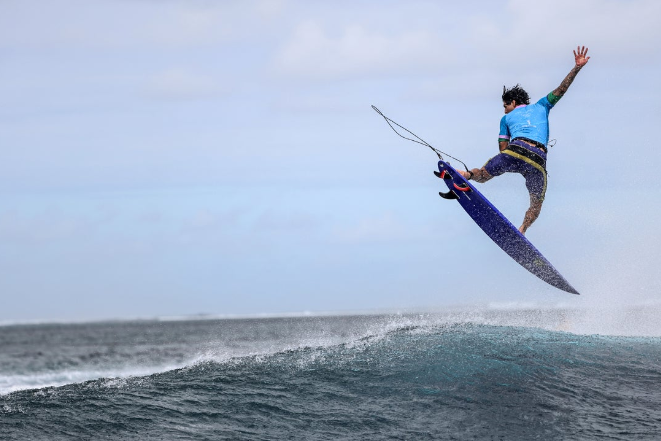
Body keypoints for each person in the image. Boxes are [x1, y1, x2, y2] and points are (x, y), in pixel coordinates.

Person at [458, 46, 590, 235]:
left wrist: (502, 166)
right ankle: (522, 229)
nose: (504, 110)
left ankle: (467, 175)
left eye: (505, 106)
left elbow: (503, 149)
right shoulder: (543, 105)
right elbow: (561, 89)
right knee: (536, 203)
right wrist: (577, 67)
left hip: (515, 150)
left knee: (484, 175)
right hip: (537, 160)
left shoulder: (505, 119)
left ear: (513, 103)